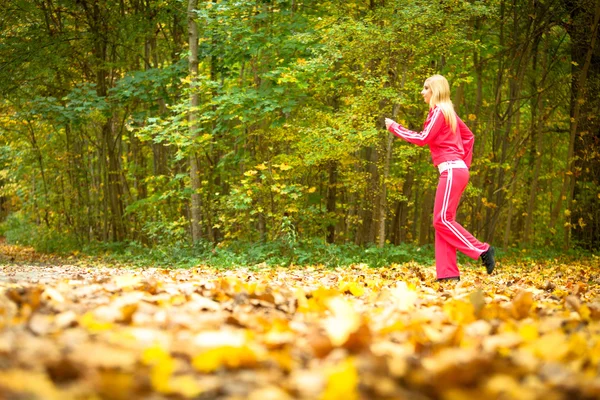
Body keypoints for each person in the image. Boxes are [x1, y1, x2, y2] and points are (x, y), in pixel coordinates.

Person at [385, 74, 495, 281]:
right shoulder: (448, 112)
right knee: (443, 221)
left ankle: (482, 250)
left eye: (426, 88)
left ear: (435, 91)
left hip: (453, 170)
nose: (422, 92)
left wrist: (394, 127)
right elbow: (469, 136)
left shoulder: (439, 112)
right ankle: (448, 274)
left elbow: (422, 138)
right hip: (454, 170)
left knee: (442, 219)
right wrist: (462, 162)